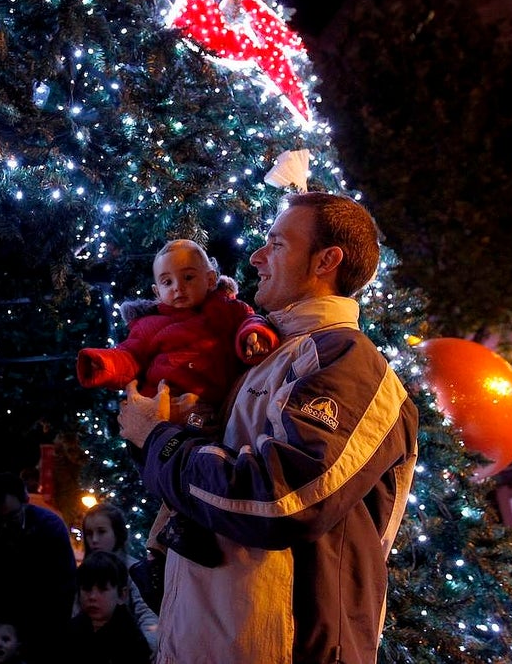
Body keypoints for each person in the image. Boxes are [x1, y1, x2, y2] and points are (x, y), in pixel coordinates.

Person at [118, 191, 420, 663]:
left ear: (327, 261)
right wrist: (164, 428)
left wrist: (157, 439)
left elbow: (279, 498)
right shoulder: (261, 358)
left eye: (277, 244)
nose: (256, 257)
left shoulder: (346, 362)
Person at [77, 238, 278, 565]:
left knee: (198, 476)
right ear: (156, 291)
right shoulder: (149, 325)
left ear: (211, 279)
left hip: (211, 417)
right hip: (165, 419)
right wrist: (103, 365)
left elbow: (250, 322)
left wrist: (254, 338)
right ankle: (162, 554)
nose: (178, 288)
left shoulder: (226, 311)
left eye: (188, 277)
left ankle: (169, 549)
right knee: (177, 480)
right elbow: (129, 356)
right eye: (167, 282)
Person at [0, 471, 78, 664]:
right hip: (0, 628)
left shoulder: (49, 528)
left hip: (45, 621)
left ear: (25, 502)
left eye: (11, 518)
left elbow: (64, 585)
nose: (3, 527)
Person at [65, 550, 154, 664]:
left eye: (102, 589)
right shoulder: (72, 631)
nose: (92, 597)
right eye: (87, 588)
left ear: (122, 595)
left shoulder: (130, 640)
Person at [82, 502, 162, 615]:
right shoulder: (84, 572)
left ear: (117, 533)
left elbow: (146, 612)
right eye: (89, 534)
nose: (94, 539)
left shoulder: (134, 571)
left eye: (101, 532)